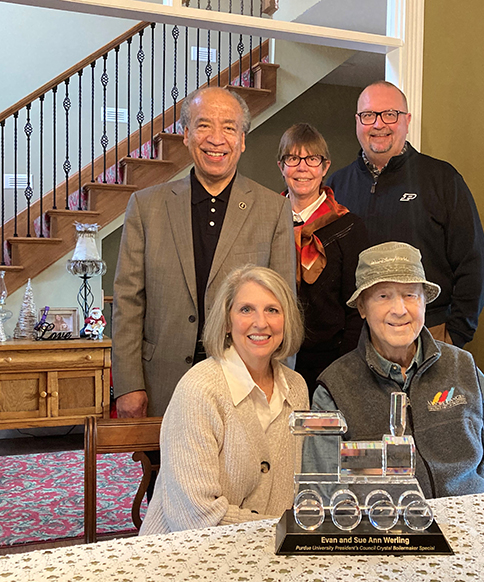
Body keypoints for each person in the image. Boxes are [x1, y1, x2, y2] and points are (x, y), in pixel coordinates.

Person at [112, 87, 295, 418]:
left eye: (228, 127)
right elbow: (128, 302)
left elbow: (284, 306)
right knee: (166, 471)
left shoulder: (274, 209)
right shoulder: (145, 206)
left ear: (242, 139)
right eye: (203, 125)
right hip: (162, 382)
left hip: (245, 378)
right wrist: (128, 384)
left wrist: (278, 382)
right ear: (185, 135)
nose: (216, 138)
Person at [311, 242, 484, 498]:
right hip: (387, 531)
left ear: (425, 302)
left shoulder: (463, 367)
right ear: (362, 308)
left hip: (473, 523)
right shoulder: (333, 389)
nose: (399, 310)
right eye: (383, 296)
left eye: (410, 294)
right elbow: (324, 485)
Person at [139, 266, 308, 533]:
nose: (261, 322)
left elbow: (296, 491)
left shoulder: (297, 388)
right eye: (246, 309)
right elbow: (194, 517)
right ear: (227, 321)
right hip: (185, 556)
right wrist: (280, 528)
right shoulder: (199, 389)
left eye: (272, 310)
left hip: (267, 553)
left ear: (286, 321)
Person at [326, 81, 484, 348]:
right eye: (368, 115)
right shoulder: (336, 185)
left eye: (389, 114)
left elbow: (476, 264)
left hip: (427, 331)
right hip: (355, 338)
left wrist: (456, 334)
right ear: (357, 122)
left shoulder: (442, 179)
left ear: (407, 120)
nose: (378, 124)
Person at [277, 123, 369, 394]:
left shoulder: (349, 226)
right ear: (281, 166)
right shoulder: (266, 220)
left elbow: (357, 309)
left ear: (325, 166)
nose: (302, 167)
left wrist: (346, 367)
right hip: (272, 358)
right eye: (292, 158)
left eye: (312, 159)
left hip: (331, 363)